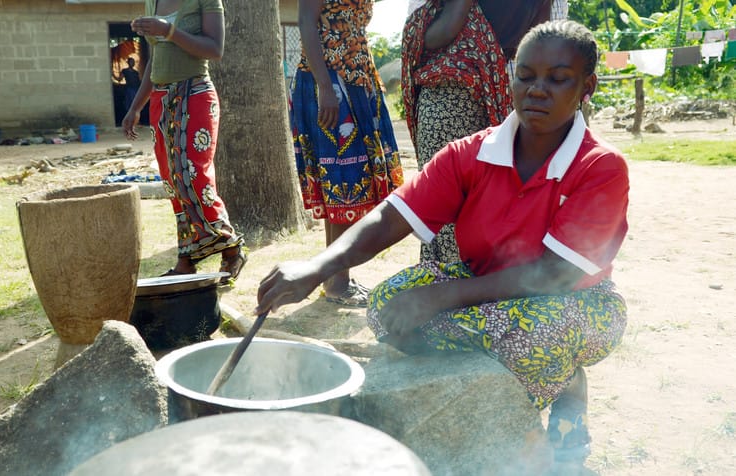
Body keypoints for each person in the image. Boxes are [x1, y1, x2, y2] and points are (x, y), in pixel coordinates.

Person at [258, 20, 627, 470]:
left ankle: (557, 402)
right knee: (389, 305)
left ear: (587, 85)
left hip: (577, 300)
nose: (537, 90)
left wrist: (440, 294)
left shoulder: (600, 166)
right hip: (484, 285)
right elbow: (389, 218)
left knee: (536, 336)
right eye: (526, 76)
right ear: (511, 76)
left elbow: (556, 273)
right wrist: (316, 268)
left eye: (558, 78)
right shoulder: (470, 153)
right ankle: (533, 375)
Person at [402, 0, 550, 265]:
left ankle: (454, 285)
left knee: (448, 201)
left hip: (460, 94)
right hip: (482, 93)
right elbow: (541, 40)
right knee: (476, 199)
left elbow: (435, 35)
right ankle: (469, 284)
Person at [121, 0, 246, 284]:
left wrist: (169, 30)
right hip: (160, 100)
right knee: (172, 181)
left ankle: (231, 247)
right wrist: (135, 107)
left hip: (195, 94)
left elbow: (215, 50)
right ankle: (186, 259)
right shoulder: (153, 1)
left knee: (194, 175)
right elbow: (156, 59)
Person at [290, 0, 404, 307]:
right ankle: (337, 283)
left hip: (358, 77)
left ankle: (335, 278)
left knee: (342, 182)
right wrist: (326, 87)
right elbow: (306, 22)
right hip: (329, 81)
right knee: (342, 181)